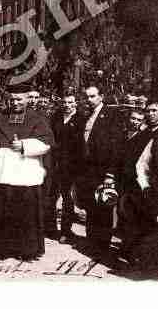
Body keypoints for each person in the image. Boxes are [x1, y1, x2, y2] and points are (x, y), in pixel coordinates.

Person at [0, 83, 54, 260]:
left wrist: (23, 145)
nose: (15, 102)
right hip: (4, 171)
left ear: (28, 99)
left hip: (26, 173)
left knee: (26, 215)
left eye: (19, 99)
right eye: (12, 99)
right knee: (3, 212)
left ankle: (26, 251)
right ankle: (3, 250)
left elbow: (46, 144)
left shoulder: (37, 119)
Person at [76, 85, 123, 259]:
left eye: (92, 96)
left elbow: (117, 146)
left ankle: (102, 247)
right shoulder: (85, 116)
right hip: (87, 171)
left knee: (103, 208)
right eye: (86, 97)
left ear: (101, 97)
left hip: (103, 171)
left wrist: (110, 173)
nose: (89, 100)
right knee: (90, 206)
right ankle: (92, 244)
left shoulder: (112, 116)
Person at [118, 102, 158, 264]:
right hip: (143, 186)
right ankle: (133, 254)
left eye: (155, 111)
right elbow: (139, 164)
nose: (151, 114)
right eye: (149, 111)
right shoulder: (143, 134)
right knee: (138, 221)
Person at [50, 90, 84, 244]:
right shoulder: (56, 117)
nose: (67, 105)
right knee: (51, 196)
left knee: (67, 199)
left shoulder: (81, 119)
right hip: (54, 163)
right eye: (64, 102)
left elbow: (82, 145)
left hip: (71, 165)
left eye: (70, 102)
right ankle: (49, 227)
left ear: (76, 103)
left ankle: (65, 230)